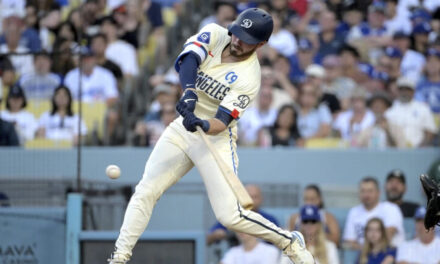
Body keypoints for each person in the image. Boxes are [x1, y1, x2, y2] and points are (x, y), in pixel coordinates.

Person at [107, 8, 314, 264]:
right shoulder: (216, 33)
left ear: (261, 44)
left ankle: (289, 241)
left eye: (246, 39)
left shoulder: (250, 77)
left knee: (230, 216)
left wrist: (203, 124)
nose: (237, 41)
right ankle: (120, 256)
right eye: (238, 33)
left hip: (215, 138)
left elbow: (222, 121)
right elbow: (189, 60)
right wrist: (189, 93)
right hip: (182, 128)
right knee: (146, 190)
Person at [343, 177, 405, 249]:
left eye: (370, 191)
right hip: (363, 256)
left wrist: (366, 251)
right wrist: (365, 252)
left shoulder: (391, 209)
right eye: (363, 191)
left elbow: (386, 238)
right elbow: (349, 242)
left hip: (389, 255)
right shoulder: (353, 212)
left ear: (378, 193)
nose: (366, 195)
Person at [207, 184, 279, 245]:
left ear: (261, 199)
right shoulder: (232, 218)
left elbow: (280, 242)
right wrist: (216, 235)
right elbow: (208, 240)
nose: (251, 200)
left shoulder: (270, 219)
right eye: (248, 196)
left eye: (255, 197)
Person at [385, 76, 438, 147]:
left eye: (407, 90)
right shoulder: (390, 111)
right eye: (402, 89)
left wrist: (421, 147)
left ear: (413, 91)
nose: (404, 92)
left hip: (418, 150)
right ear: (397, 91)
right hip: (396, 151)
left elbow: (430, 130)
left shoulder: (423, 108)